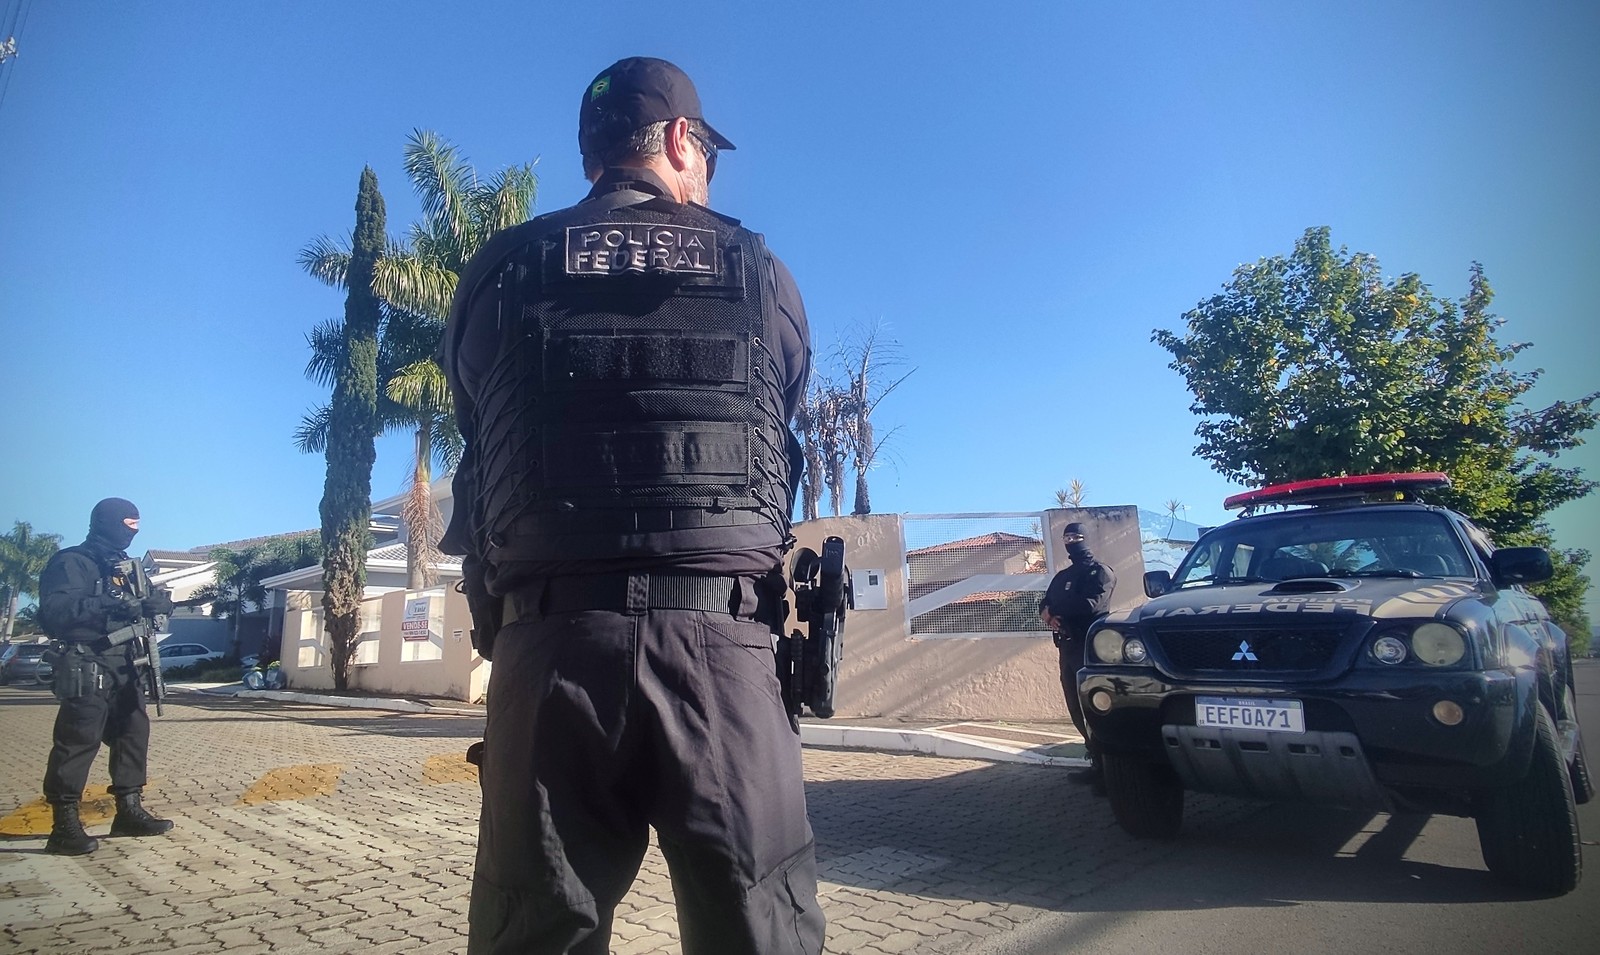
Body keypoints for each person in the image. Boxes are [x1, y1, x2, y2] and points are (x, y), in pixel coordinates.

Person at [439, 56, 822, 955]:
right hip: (723, 657)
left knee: (532, 935)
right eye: (707, 154)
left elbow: (482, 449)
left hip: (548, 654)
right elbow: (783, 417)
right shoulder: (761, 273)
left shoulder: (499, 274)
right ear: (682, 142)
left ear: (593, 158)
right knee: (760, 931)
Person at [38, 497, 175, 855]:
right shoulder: (73, 562)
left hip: (126, 664)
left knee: (133, 734)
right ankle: (64, 825)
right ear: (105, 522)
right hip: (87, 661)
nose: (131, 532)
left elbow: (146, 606)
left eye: (136, 526)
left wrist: (161, 605)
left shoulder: (128, 567)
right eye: (126, 524)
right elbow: (55, 614)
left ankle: (128, 812)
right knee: (78, 740)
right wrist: (108, 602)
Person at [1039, 521, 1117, 789]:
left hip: (1090, 650)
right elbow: (1045, 602)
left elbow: (1092, 604)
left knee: (1096, 709)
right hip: (1067, 648)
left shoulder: (1101, 572)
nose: (1071, 542)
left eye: (1076, 536)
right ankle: (1096, 762)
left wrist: (1058, 609)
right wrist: (1047, 614)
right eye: (1067, 537)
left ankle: (1112, 771)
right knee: (1075, 708)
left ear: (1086, 538)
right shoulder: (1062, 577)